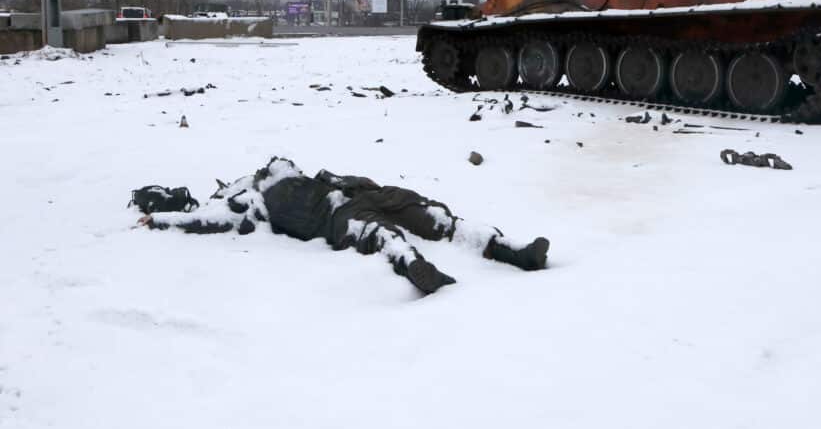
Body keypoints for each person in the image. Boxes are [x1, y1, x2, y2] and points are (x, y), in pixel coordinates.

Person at [131, 157, 550, 294]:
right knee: (380, 235)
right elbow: (206, 221)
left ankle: (513, 251)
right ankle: (416, 269)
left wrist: (342, 182)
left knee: (435, 217)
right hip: (336, 218)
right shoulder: (250, 201)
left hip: (360, 193)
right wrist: (162, 219)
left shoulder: (302, 174)